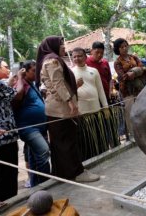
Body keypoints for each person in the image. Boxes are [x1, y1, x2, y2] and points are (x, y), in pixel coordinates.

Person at [36, 36, 99, 182]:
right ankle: (76, 173)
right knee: (67, 142)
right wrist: (71, 103)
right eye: (61, 44)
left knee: (59, 142)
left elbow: (55, 84)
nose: (64, 47)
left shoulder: (49, 59)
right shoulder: (52, 60)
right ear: (53, 46)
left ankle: (62, 173)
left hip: (55, 108)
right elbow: (58, 84)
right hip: (61, 109)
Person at [13, 60, 50, 187]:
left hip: (39, 127)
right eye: (34, 71)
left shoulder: (31, 84)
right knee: (44, 152)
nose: (37, 73)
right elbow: (17, 96)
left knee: (35, 158)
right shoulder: (21, 84)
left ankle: (36, 186)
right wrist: (19, 77)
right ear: (25, 71)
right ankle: (46, 184)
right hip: (29, 128)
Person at [0, 69, 25, 203]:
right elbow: (17, 95)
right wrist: (19, 78)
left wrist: (10, 83)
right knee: (6, 176)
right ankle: (7, 206)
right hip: (3, 138)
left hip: (0, 138)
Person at [114, 38, 146, 140]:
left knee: (143, 111)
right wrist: (136, 72)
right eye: (121, 47)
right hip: (127, 92)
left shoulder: (134, 57)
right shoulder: (117, 62)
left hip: (140, 89)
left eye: (125, 46)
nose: (124, 48)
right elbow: (123, 77)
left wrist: (134, 72)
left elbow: (145, 69)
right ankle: (134, 137)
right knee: (131, 113)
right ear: (118, 49)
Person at [72, 47, 108, 114]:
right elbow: (69, 93)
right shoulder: (71, 72)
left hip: (96, 107)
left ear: (85, 57)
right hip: (81, 110)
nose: (77, 58)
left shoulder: (94, 71)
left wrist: (106, 107)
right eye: (74, 57)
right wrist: (76, 86)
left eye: (79, 56)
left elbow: (100, 90)